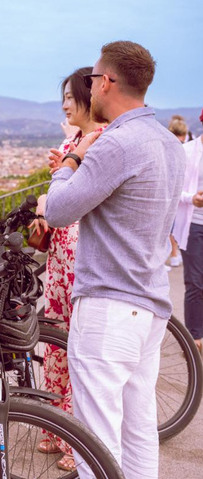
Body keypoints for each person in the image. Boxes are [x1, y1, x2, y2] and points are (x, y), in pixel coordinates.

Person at [45, 41, 184, 479]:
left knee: (97, 440)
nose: (88, 89)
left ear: (106, 82)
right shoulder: (168, 143)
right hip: (150, 305)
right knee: (138, 429)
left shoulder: (116, 144)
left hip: (109, 306)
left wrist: (70, 161)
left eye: (91, 80)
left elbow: (58, 210)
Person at [28, 66, 100, 472]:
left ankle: (76, 442)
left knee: (78, 351)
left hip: (81, 256)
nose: (65, 105)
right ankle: (55, 428)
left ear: (89, 97)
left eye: (70, 97)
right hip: (60, 257)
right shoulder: (73, 141)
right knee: (56, 346)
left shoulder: (100, 141)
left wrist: (62, 177)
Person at [171, 110, 203, 354]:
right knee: (195, 281)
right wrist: (191, 198)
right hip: (194, 225)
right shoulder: (187, 151)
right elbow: (173, 189)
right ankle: (195, 337)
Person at [167, 116, 190, 269]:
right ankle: (174, 253)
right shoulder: (182, 148)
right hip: (176, 190)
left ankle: (174, 253)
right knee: (172, 225)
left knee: (172, 225)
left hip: (174, 190)